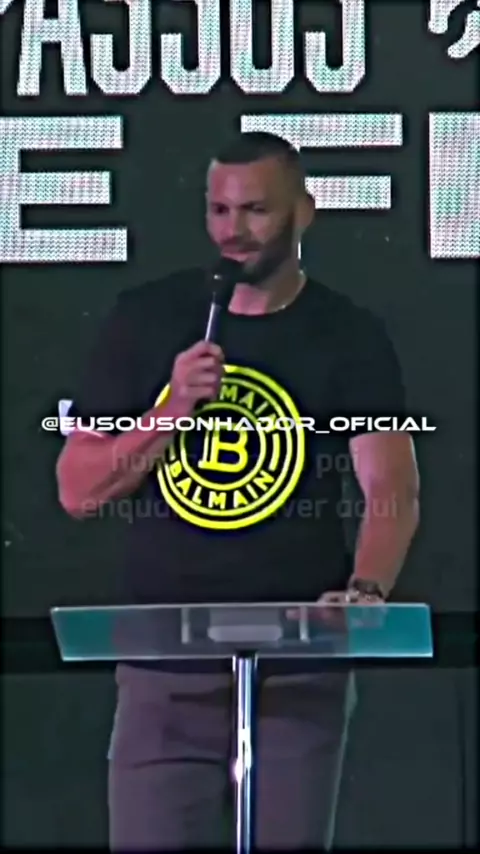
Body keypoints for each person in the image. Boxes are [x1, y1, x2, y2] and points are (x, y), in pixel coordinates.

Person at [56, 132, 420, 850]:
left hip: (296, 669)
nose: (233, 231)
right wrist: (171, 410)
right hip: (164, 666)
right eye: (219, 211)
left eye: (255, 210)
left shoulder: (348, 335)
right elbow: (79, 489)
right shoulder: (149, 319)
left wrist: (366, 590)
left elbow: (391, 487)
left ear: (303, 212)